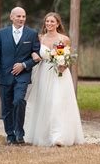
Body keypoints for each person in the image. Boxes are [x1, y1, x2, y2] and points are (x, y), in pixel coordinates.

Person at [24, 12, 84, 146]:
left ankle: (58, 136)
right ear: (45, 23)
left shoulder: (64, 39)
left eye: (52, 22)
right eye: (47, 21)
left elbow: (65, 57)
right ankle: (42, 135)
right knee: (43, 102)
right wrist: (34, 54)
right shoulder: (40, 38)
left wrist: (63, 64)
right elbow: (32, 51)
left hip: (59, 74)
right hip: (43, 72)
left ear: (58, 24)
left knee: (57, 102)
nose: (49, 24)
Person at [0, 7, 40, 145]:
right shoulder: (2, 33)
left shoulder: (32, 34)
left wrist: (24, 65)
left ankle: (19, 133)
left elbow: (36, 57)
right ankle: (10, 135)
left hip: (22, 76)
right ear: (11, 17)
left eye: (23, 16)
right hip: (5, 75)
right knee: (6, 107)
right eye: (18, 16)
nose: (21, 19)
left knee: (18, 101)